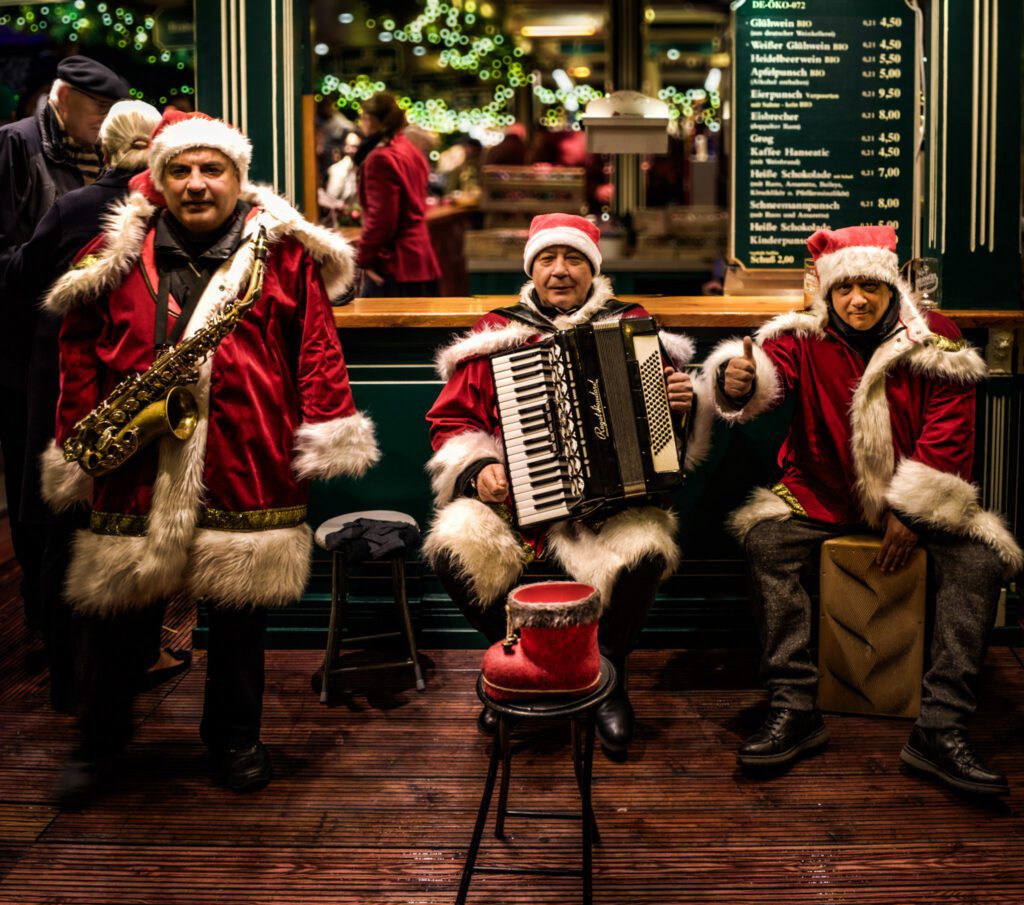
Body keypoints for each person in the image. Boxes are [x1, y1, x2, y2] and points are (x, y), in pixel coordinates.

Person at [42, 109, 380, 805]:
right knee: (115, 617)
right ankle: (99, 741)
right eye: (181, 170)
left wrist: (328, 424)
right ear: (159, 178)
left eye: (212, 169)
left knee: (239, 620)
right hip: (134, 458)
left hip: (245, 450)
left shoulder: (283, 254)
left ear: (237, 176)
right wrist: (77, 441)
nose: (197, 184)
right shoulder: (112, 254)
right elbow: (76, 350)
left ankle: (234, 737)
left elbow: (315, 345)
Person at [704, 225, 1022, 796]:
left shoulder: (935, 339)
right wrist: (736, 381)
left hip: (917, 502)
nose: (857, 299)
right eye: (845, 287)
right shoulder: (802, 337)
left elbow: (950, 435)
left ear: (891, 285)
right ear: (827, 291)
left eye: (870, 286)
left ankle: (941, 725)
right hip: (822, 496)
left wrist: (913, 512)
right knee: (766, 545)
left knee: (978, 563)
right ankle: (794, 705)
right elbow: (761, 386)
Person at [423, 213, 713, 753]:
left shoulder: (632, 323)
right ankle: (526, 666)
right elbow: (452, 422)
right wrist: (478, 468)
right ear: (531, 268)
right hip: (518, 504)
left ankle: (606, 678)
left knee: (646, 550)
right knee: (452, 550)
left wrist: (680, 405)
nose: (560, 271)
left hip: (608, 508)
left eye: (573, 258)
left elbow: (665, 445)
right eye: (547, 259)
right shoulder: (496, 331)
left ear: (593, 268)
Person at [3, 99, 163, 710]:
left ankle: (68, 679)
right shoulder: (165, 208)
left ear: (103, 147)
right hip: (141, 386)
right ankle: (137, 657)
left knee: (61, 531)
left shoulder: (72, 207)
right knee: (134, 527)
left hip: (66, 386)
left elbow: (21, 278)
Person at [0, 55, 129, 635]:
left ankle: (78, 633)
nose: (104, 119)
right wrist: (62, 267)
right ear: (60, 98)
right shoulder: (13, 145)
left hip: (82, 350)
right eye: (95, 107)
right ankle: (45, 633)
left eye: (109, 109)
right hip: (25, 350)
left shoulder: (94, 155)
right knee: (37, 498)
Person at [354, 92, 441, 298]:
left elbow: (382, 220)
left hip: (394, 265)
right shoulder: (409, 149)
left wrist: (363, 259)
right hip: (420, 260)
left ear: (369, 119)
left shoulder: (380, 158)